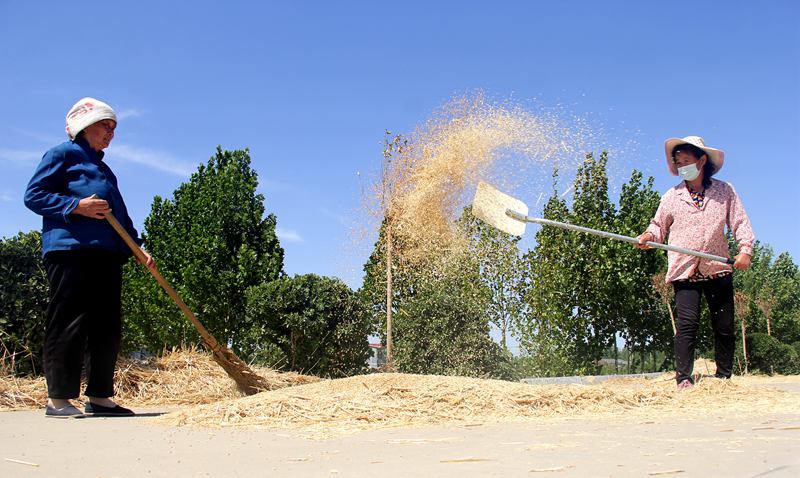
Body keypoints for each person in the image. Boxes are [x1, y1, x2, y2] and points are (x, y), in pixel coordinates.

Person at [24, 97, 155, 417]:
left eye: (114, 128)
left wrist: (137, 246)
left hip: (107, 253)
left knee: (106, 325)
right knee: (70, 320)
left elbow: (119, 216)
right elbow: (34, 195)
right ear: (84, 126)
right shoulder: (62, 155)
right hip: (71, 249)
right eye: (104, 126)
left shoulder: (103, 169)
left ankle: (99, 396)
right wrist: (75, 207)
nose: (111, 133)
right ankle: (58, 398)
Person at [637, 136, 754, 390]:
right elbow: (658, 226)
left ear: (702, 161)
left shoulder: (724, 191)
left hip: (717, 268)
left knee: (724, 326)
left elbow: (740, 222)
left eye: (686, 161)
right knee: (687, 325)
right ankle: (684, 378)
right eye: (678, 163)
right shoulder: (672, 196)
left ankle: (724, 377)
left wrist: (745, 251)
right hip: (684, 269)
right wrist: (648, 237)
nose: (682, 167)